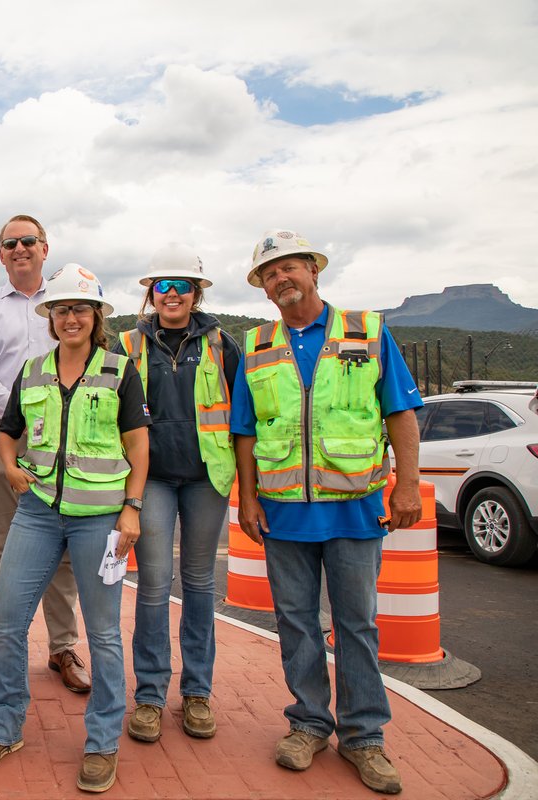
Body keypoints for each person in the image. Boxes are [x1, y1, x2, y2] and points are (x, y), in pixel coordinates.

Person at [233, 229, 422, 795]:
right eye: (270, 273)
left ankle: (365, 737)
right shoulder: (257, 345)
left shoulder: (367, 333)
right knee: (295, 625)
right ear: (264, 289)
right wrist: (246, 497)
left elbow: (400, 413)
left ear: (315, 271)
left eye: (290, 267)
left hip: (356, 511)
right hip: (284, 514)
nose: (281, 278)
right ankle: (309, 724)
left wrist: (407, 486)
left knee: (356, 626)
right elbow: (244, 429)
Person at [0, 265, 150, 794]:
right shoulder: (34, 370)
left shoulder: (119, 371)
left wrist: (131, 508)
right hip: (39, 513)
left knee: (105, 634)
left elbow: (138, 444)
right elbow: (10, 431)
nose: (71, 318)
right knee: (7, 619)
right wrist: (13, 468)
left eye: (80, 310)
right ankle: (4, 727)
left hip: (99, 519)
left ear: (96, 317)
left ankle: (102, 741)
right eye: (62, 309)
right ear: (50, 318)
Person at [114, 243, 239, 742]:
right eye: (161, 286)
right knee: (155, 582)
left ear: (196, 292)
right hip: (153, 479)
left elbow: (241, 419)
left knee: (200, 583)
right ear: (150, 293)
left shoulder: (222, 345)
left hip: (207, 476)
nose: (171, 294)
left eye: (181, 286)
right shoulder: (127, 345)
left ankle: (197, 693)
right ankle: (148, 694)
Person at [0, 214, 90, 693]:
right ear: (1, 254)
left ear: (45, 247)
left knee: (65, 547)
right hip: (3, 437)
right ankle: (5, 651)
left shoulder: (66, 304)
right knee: (2, 546)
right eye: (10, 243)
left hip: (66, 437)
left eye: (28, 241)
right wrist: (20, 413)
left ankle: (63, 648)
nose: (20, 249)